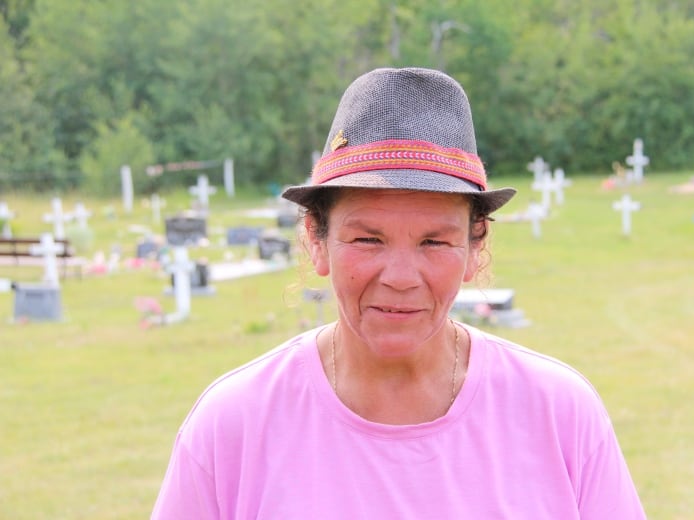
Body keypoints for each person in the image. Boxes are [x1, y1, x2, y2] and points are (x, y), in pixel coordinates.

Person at [151, 67, 646, 519]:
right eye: (368, 239)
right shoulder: (232, 426)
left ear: (476, 246)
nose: (401, 276)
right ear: (316, 239)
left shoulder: (560, 415)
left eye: (434, 241)